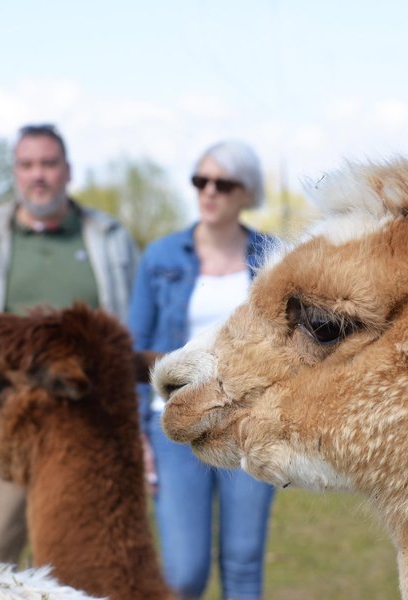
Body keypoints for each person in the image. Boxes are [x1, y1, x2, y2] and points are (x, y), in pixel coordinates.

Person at [0, 123, 139, 567]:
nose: (38, 175)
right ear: (15, 172)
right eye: (27, 164)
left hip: (83, 431)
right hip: (2, 426)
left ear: (68, 171)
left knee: (79, 560)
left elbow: (129, 330)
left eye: (49, 164)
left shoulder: (110, 239)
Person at [129, 140, 276, 600]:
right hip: (171, 426)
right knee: (184, 572)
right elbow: (134, 354)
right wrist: (137, 434)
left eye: (223, 183)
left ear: (246, 193)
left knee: (243, 562)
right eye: (201, 180)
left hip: (246, 425)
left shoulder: (273, 258)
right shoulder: (161, 258)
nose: (209, 191)